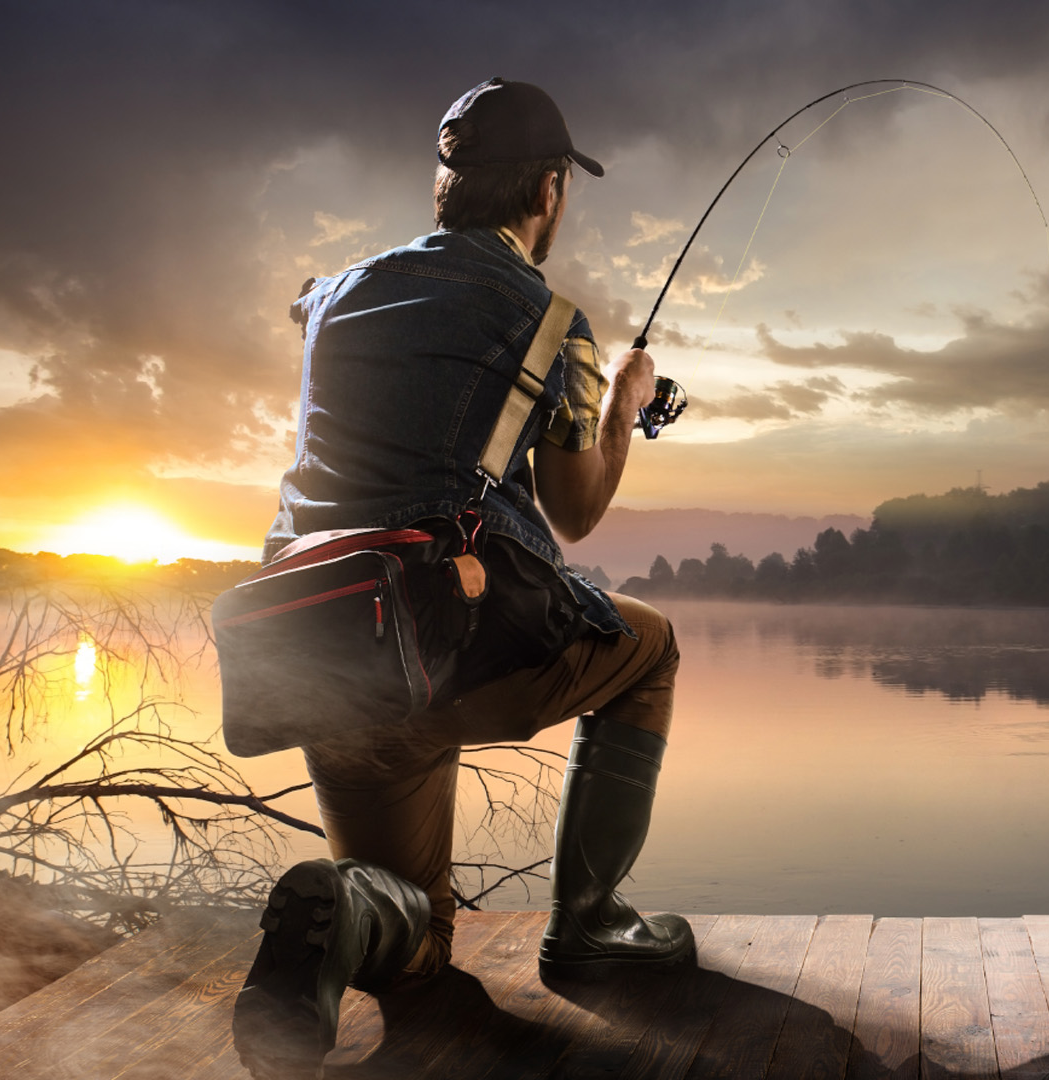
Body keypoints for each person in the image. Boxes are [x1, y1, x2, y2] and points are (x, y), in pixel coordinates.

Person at [231, 78, 692, 1076]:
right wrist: (623, 401)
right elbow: (574, 509)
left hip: (321, 650)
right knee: (650, 647)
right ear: (550, 191)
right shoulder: (552, 321)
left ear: (445, 186)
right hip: (456, 643)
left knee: (419, 946)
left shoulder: (335, 298)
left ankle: (349, 904)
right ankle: (591, 924)